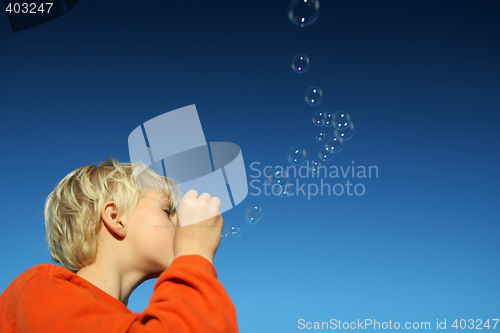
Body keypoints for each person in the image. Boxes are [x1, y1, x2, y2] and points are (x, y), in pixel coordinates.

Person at [0, 158, 238, 332]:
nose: (180, 221)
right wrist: (193, 254)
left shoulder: (127, 322)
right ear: (115, 218)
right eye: (167, 211)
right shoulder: (39, 291)